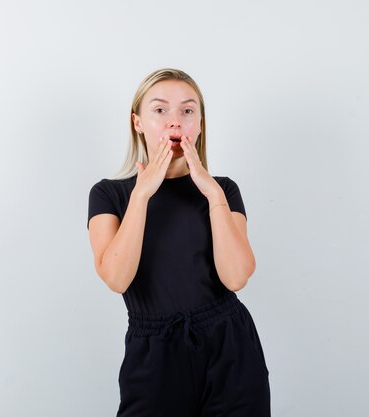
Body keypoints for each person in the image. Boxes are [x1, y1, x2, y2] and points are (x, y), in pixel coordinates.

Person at [87, 68, 271, 416]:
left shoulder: (224, 190)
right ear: (138, 122)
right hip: (154, 354)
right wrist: (142, 195)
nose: (176, 122)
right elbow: (116, 277)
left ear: (200, 124)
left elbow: (236, 277)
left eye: (188, 111)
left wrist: (211, 191)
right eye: (160, 110)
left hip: (229, 347)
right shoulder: (109, 194)